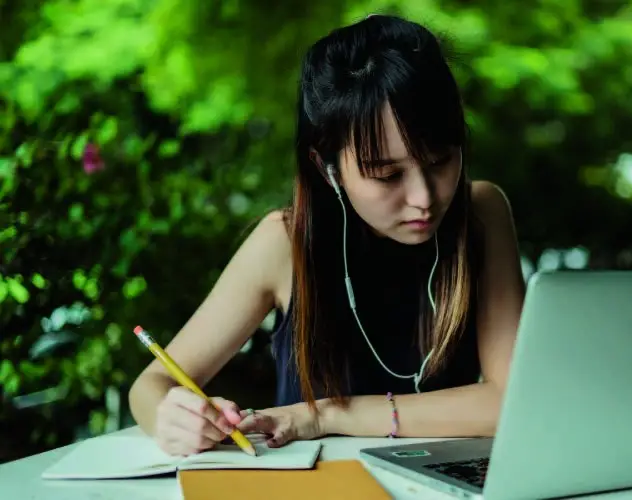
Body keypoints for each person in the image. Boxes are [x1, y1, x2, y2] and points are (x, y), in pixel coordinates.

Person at [128, 14, 525, 457]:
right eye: (387, 175)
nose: (424, 198)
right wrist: (177, 419)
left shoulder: (482, 214)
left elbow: (511, 402)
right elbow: (151, 385)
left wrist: (327, 415)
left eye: (439, 162)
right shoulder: (286, 241)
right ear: (327, 167)